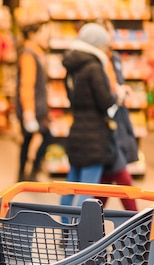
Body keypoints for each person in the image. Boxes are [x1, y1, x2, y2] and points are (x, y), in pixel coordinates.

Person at [59, 22, 130, 208]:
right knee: (87, 192)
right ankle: (79, 234)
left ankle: (65, 230)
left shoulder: (72, 66)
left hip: (76, 132)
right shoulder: (93, 66)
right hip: (95, 137)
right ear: (97, 44)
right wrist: (118, 96)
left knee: (69, 187)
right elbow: (105, 100)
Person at [94, 18, 139, 211]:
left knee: (106, 178)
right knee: (120, 172)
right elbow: (102, 94)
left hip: (118, 120)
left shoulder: (114, 58)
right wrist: (115, 94)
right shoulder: (95, 62)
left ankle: (88, 223)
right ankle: (138, 223)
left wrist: (121, 91)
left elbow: (115, 83)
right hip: (104, 123)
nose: (111, 35)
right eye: (107, 31)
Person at [15, 17, 54, 182]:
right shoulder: (29, 55)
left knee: (28, 140)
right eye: (41, 32)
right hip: (32, 107)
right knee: (47, 136)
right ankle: (29, 173)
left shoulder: (36, 52)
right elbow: (27, 84)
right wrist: (29, 112)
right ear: (32, 34)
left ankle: (24, 175)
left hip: (35, 106)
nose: (45, 35)